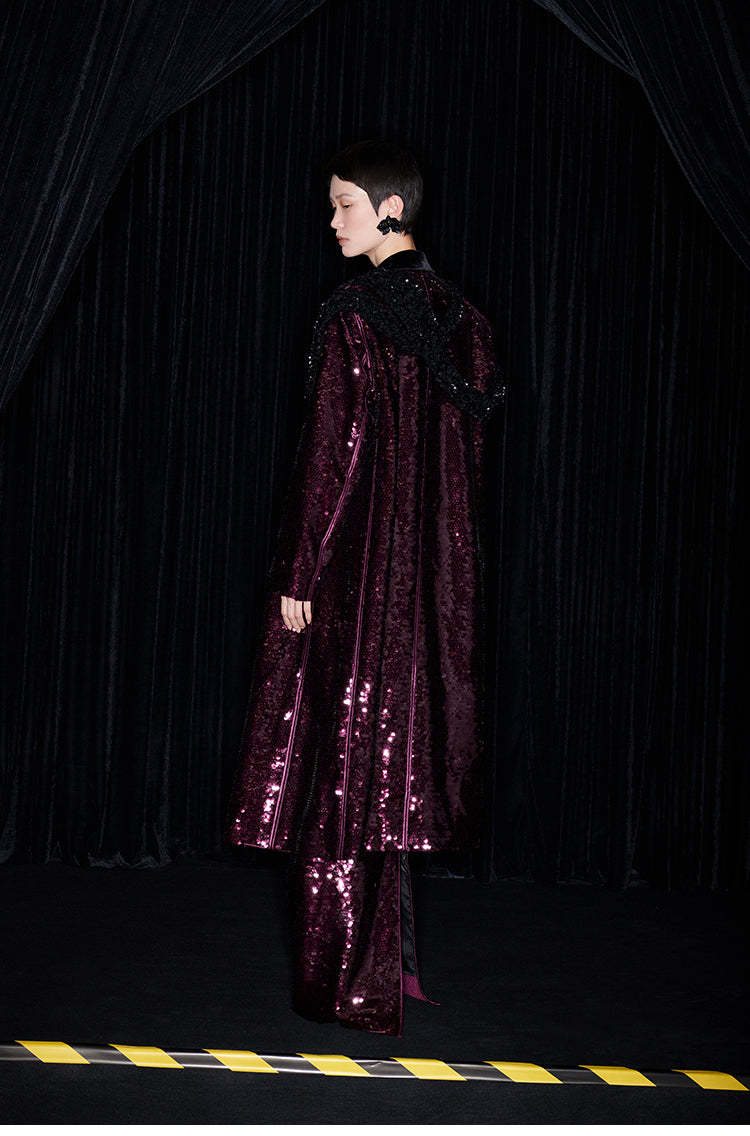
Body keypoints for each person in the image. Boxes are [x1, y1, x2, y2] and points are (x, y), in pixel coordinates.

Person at [225, 140, 504, 1035]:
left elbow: (333, 455)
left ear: (391, 210)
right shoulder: (466, 321)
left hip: (355, 575)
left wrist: (301, 568)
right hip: (428, 587)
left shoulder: (354, 313)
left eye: (344, 204)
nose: (332, 220)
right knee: (390, 765)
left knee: (341, 766)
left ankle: (346, 981)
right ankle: (390, 968)